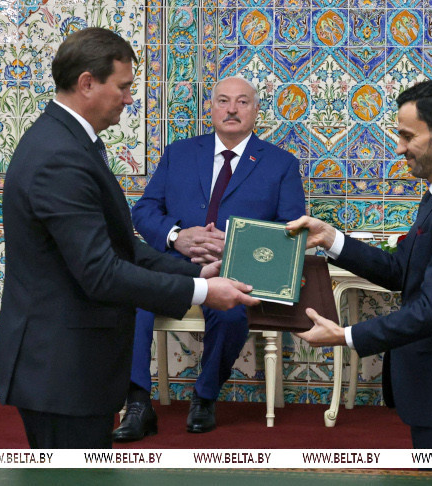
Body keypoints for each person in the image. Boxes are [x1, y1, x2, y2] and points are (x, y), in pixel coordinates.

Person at [0, 28, 258, 449]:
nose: (130, 99)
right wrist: (203, 292)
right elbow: (101, 272)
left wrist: (195, 274)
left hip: (72, 367)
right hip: (60, 369)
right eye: (123, 87)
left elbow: (122, 246)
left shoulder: (69, 141)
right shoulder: (59, 156)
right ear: (87, 83)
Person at [286, 80, 432, 456]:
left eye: (407, 136)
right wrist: (329, 238)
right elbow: (399, 270)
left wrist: (345, 336)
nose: (400, 147)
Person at [111, 76, 306, 441]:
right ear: (210, 108)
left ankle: (204, 396)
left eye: (242, 102)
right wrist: (177, 237)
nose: (231, 109)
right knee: (132, 300)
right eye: (223, 101)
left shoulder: (281, 164)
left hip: (235, 269)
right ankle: (137, 404)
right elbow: (145, 210)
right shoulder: (180, 153)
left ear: (256, 110)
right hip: (172, 263)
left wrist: (236, 245)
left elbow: (291, 228)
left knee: (230, 314)